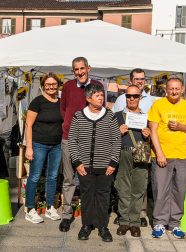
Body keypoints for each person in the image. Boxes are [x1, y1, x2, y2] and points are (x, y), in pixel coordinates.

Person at [148, 77, 186, 239]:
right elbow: (153, 130)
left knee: (179, 190)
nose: (174, 91)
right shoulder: (158, 105)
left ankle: (175, 223)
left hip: (183, 155)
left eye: (177, 89)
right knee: (161, 190)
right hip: (163, 155)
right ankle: (159, 222)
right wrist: (159, 153)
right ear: (166, 89)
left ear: (182, 89)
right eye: (171, 88)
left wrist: (180, 127)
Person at [68, 83, 121, 242]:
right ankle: (86, 226)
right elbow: (72, 140)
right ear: (89, 98)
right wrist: (77, 162)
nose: (101, 98)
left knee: (103, 196)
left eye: (102, 95)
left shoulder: (109, 115)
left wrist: (113, 162)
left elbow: (116, 140)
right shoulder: (78, 115)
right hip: (84, 166)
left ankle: (103, 227)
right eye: (97, 95)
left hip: (105, 166)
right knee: (87, 196)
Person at [59, 56, 105, 232]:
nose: (79, 72)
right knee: (69, 178)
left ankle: (90, 216)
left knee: (89, 178)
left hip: (89, 140)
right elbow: (63, 108)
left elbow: (100, 109)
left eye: (82, 68)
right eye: (76, 69)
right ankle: (66, 215)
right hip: (69, 138)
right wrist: (69, 124)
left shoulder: (98, 86)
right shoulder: (68, 86)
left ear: (88, 68)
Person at [112, 68, 156, 227]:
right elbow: (109, 138)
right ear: (125, 98)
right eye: (128, 96)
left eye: (135, 96)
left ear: (139, 97)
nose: (131, 99)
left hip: (141, 152)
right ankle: (124, 221)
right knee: (123, 189)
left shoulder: (146, 117)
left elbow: (154, 137)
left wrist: (148, 134)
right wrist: (117, 132)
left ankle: (135, 222)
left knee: (138, 188)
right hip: (123, 153)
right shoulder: (117, 116)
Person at [24, 73, 63, 224]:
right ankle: (29, 209)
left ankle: (49, 207)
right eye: (48, 84)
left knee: (52, 176)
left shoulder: (60, 102)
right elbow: (28, 125)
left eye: (54, 84)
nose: (51, 87)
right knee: (34, 176)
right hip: (39, 144)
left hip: (57, 145)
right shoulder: (37, 102)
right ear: (43, 86)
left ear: (58, 85)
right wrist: (29, 147)